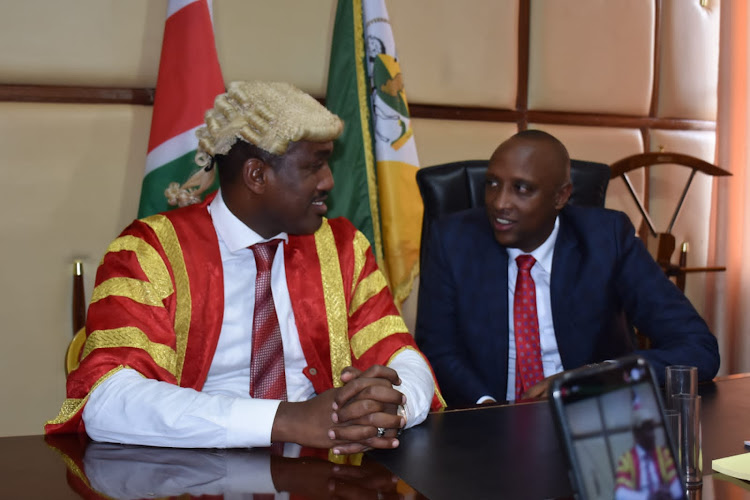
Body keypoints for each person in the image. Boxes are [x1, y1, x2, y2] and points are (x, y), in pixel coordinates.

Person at [45, 81, 444, 455]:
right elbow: (109, 400)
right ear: (257, 175)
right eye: (314, 166)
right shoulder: (151, 251)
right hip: (191, 472)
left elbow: (401, 355)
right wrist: (284, 420)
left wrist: (391, 405)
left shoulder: (342, 248)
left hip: (323, 468)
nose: (329, 181)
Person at [415, 129, 719, 407]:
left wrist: (593, 378)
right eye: (492, 184)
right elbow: (437, 351)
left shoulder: (607, 240)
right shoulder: (453, 240)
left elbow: (697, 348)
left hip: (591, 420)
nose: (499, 202)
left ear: (561, 196)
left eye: (521, 188)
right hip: (485, 424)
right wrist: (486, 409)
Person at [614, 411, 682, 500]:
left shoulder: (663, 453)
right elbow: (620, 493)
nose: (653, 435)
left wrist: (670, 493)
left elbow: (678, 481)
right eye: (647, 430)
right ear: (637, 434)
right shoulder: (626, 459)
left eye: (652, 429)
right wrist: (648, 498)